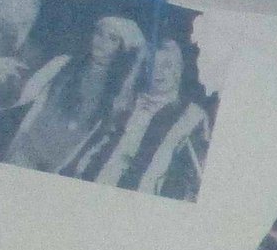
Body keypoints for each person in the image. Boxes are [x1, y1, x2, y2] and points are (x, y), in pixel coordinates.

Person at [65, 37, 209, 200]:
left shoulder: (193, 116)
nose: (158, 72)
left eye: (167, 65)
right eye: (152, 65)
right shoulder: (127, 101)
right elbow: (88, 146)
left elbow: (193, 181)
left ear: (180, 68)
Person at [6, 13, 144, 173]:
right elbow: (22, 95)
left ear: (122, 49)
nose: (102, 41)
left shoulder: (116, 91)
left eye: (112, 39)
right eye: (99, 33)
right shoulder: (63, 63)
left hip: (59, 167)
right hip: (26, 151)